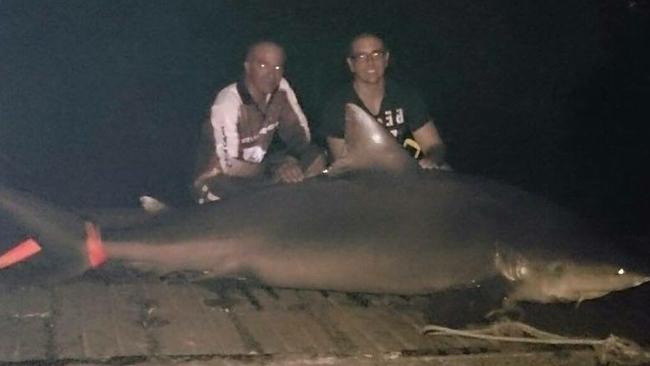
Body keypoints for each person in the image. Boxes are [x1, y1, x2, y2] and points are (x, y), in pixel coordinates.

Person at [192, 41, 326, 203]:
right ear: (247, 67)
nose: (271, 74)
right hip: (220, 177)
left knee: (316, 156)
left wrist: (290, 160)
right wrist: (274, 169)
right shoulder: (228, 102)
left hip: (259, 169)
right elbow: (229, 166)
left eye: (277, 68)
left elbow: (301, 137)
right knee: (227, 188)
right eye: (263, 65)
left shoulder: (281, 89)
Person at [320, 33, 450, 170]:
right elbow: (342, 162)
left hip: (407, 169)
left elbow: (434, 145)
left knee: (445, 169)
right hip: (363, 175)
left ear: (386, 59)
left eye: (376, 55)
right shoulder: (337, 106)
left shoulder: (405, 96)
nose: (370, 62)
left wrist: (431, 160)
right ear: (351, 64)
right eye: (362, 56)